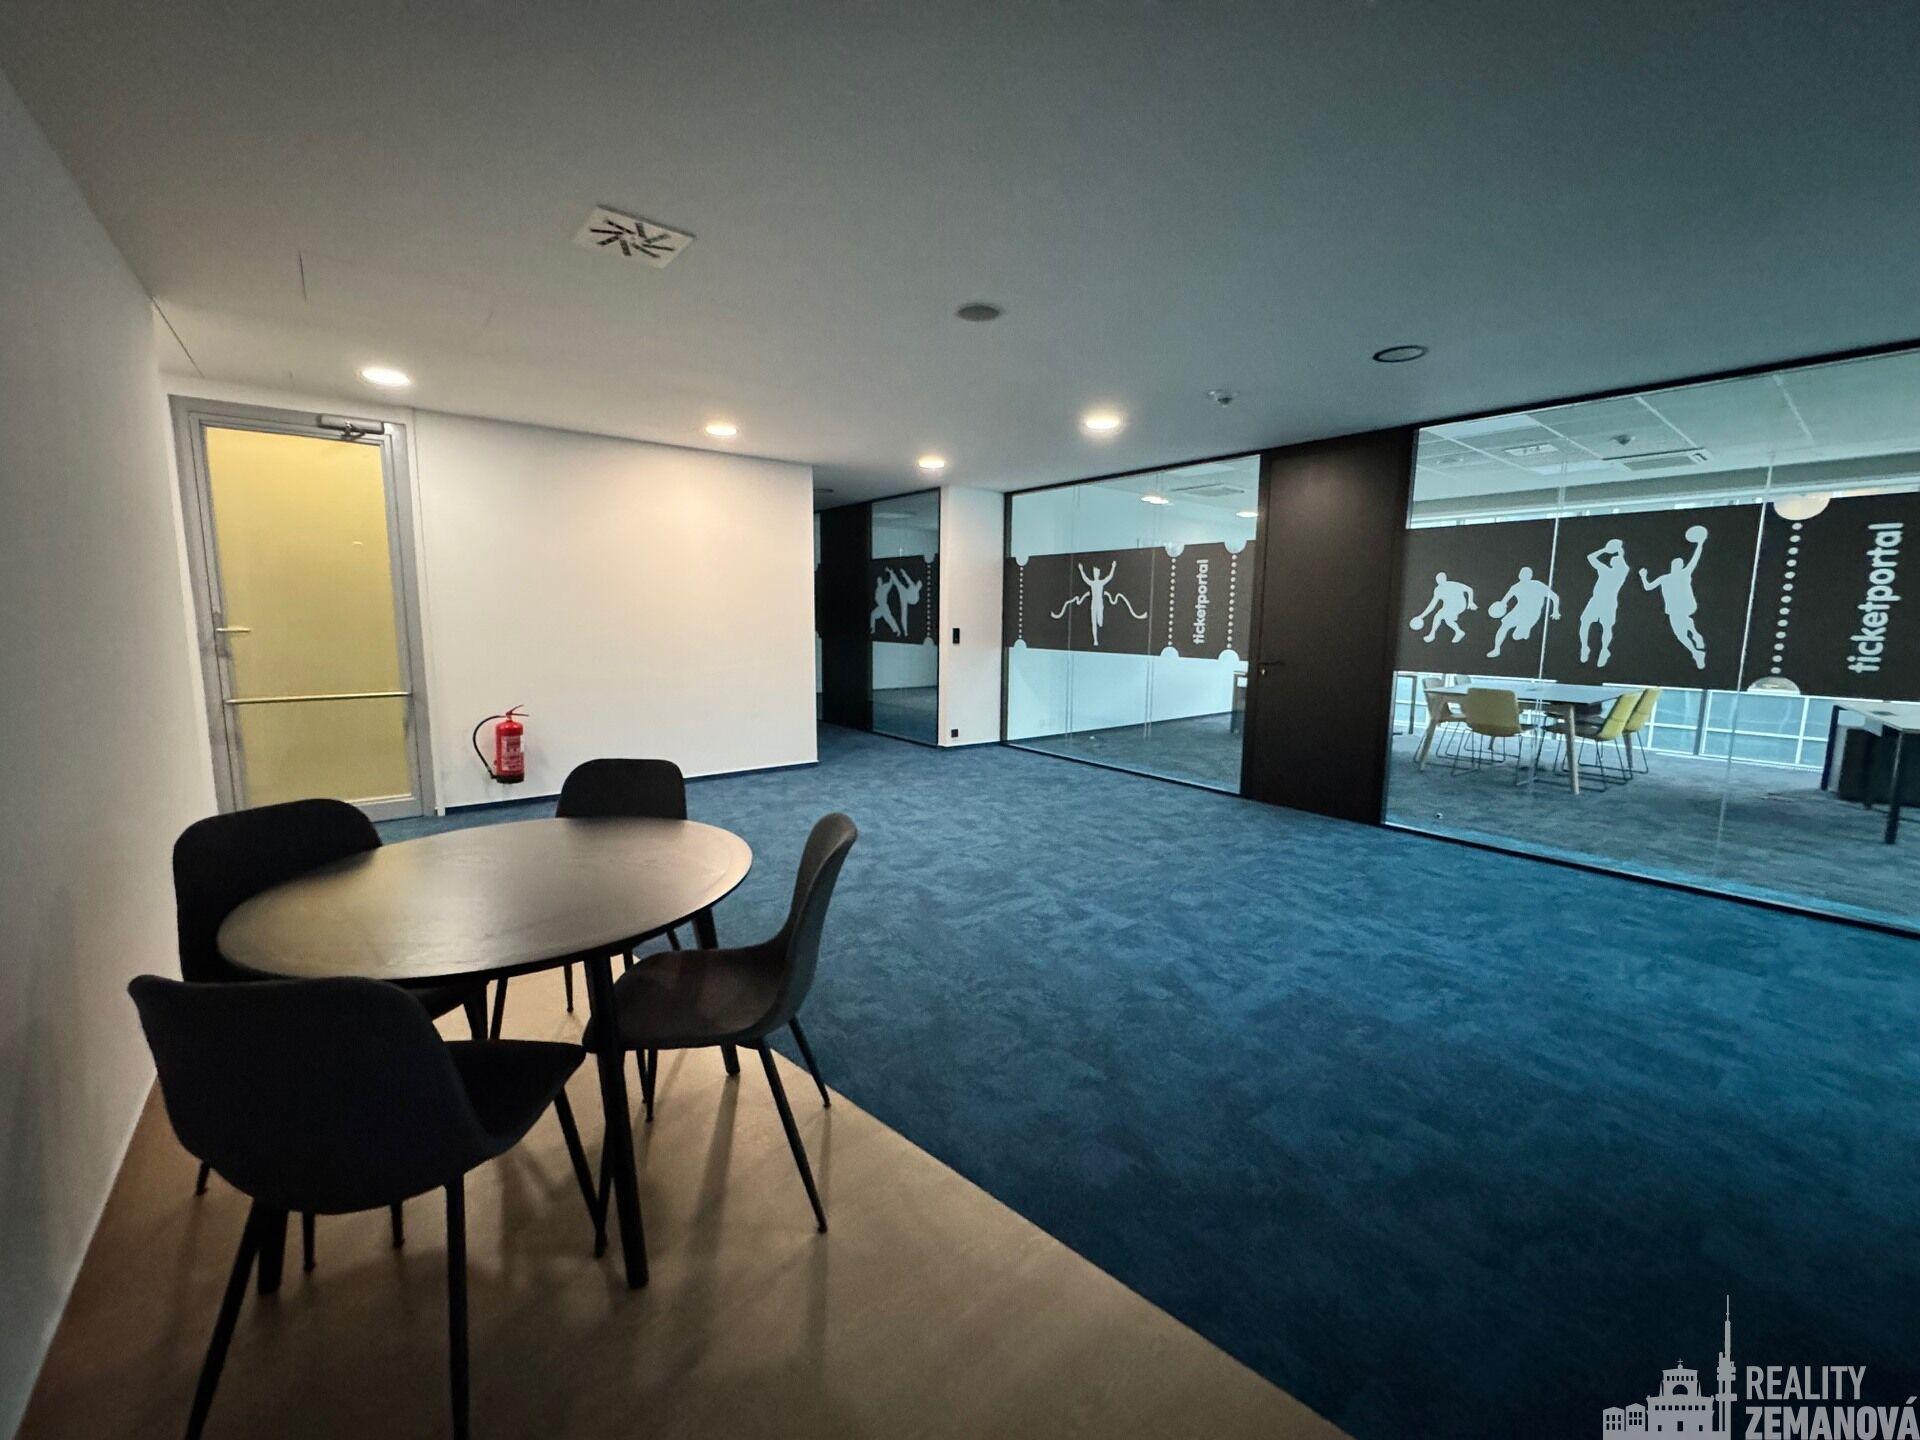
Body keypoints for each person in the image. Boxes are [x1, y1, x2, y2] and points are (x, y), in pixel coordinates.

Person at [1639, 527, 1709, 669]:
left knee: (1683, 625)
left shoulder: (1684, 573)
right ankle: (1696, 651)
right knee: (1680, 634)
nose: (1676, 565)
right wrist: (1643, 576)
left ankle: (1695, 636)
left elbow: (1695, 559)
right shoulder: (1665, 578)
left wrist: (1700, 544)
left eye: (1679, 564)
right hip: (1673, 609)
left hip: (1685, 606)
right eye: (1674, 564)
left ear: (1681, 566)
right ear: (1671, 566)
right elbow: (1648, 587)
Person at [1487, 566, 1560, 658]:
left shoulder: (1538, 585)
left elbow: (1554, 597)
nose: (1524, 576)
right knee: (1504, 626)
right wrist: (1500, 607)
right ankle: (1496, 649)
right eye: (1522, 574)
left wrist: (1555, 611)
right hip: (1518, 611)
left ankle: (1524, 631)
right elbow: (1504, 601)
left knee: (1516, 637)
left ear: (1530, 576)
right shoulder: (1515, 587)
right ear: (1519, 575)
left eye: (1526, 574)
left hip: (1531, 614)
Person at [1579, 540, 1629, 666]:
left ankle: (1604, 650)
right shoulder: (1606, 570)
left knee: (1606, 627)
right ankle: (1585, 647)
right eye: (1613, 560)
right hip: (1596, 600)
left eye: (1615, 560)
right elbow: (1590, 557)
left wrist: (1610, 550)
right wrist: (1608, 549)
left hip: (1608, 602)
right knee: (1585, 621)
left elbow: (1591, 557)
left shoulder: (1617, 572)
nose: (1613, 560)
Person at [1410, 571, 1476, 644]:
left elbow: (1469, 589)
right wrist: (1421, 616)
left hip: (1459, 605)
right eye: (1439, 579)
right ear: (1437, 580)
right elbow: (1432, 605)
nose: (1440, 580)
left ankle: (1432, 635)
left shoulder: (1453, 584)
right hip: (1448, 606)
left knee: (1439, 616)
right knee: (1447, 620)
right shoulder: (1438, 590)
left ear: (1445, 578)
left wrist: (1471, 602)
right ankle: (1459, 632)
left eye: (1441, 578)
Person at [870, 570, 901, 637]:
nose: (879, 581)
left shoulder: (884, 587)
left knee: (889, 619)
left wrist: (891, 573)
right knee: (873, 614)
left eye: (880, 580)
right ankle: (873, 629)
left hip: (884, 606)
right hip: (880, 606)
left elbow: (890, 583)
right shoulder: (877, 590)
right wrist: (878, 601)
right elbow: (876, 598)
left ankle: (898, 630)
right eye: (878, 580)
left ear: (881, 581)